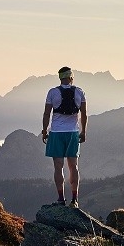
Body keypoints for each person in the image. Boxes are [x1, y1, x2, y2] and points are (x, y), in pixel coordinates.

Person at [41, 66, 87, 207]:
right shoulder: (80, 92)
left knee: (58, 166)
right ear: (71, 77)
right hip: (72, 133)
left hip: (56, 133)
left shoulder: (52, 92)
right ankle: (74, 199)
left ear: (60, 77)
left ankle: (61, 198)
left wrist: (44, 130)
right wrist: (83, 132)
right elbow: (84, 115)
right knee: (73, 166)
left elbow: (47, 113)